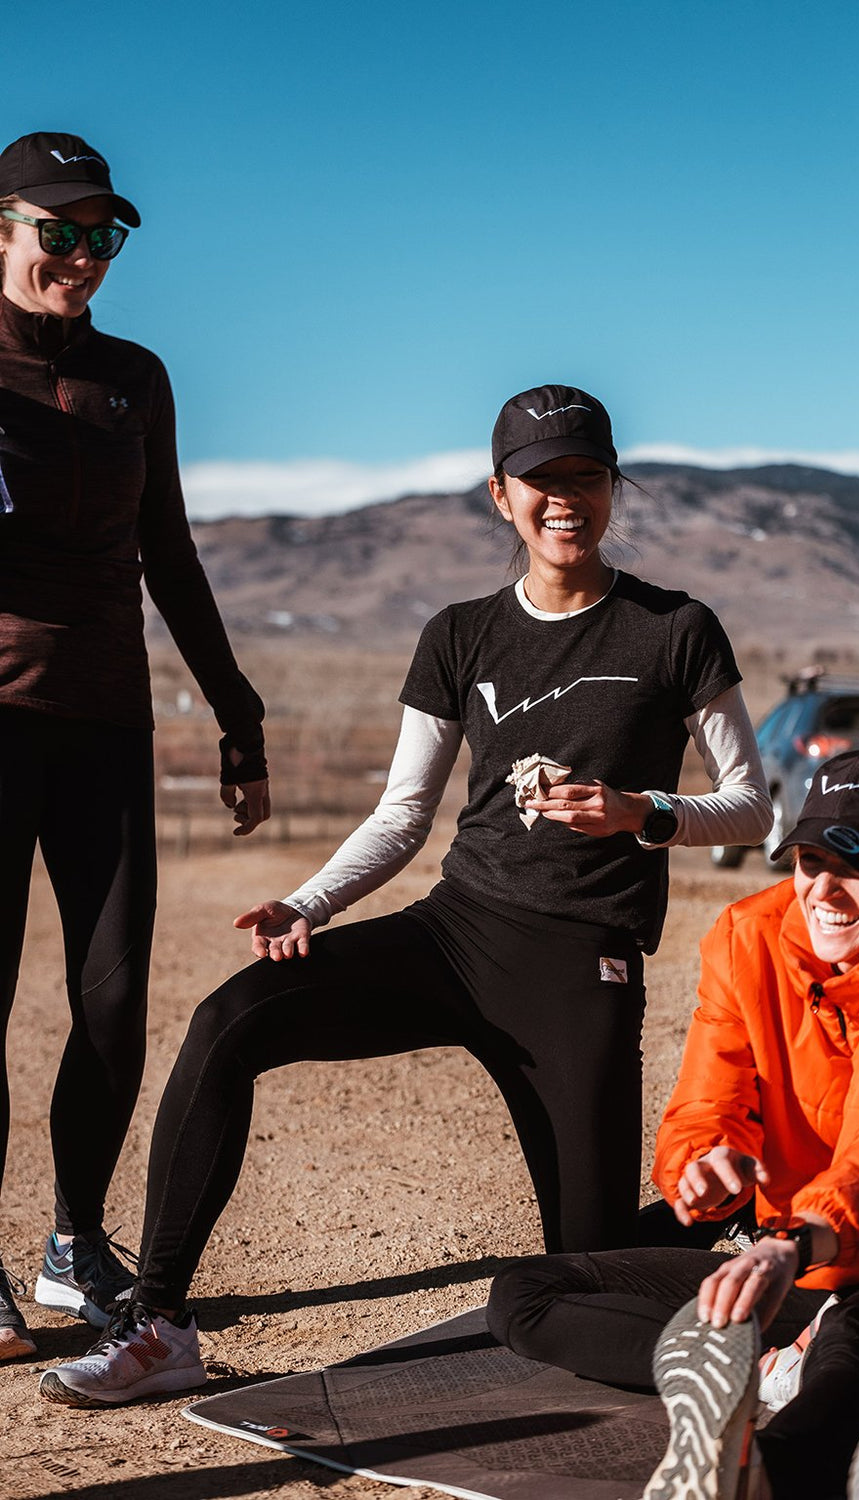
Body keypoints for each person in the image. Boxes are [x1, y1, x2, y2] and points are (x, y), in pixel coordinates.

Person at [38, 382, 772, 1405]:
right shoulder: (460, 632)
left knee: (585, 1268)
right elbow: (401, 813)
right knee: (228, 1021)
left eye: (586, 477)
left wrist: (640, 811)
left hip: (578, 964)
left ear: (614, 488)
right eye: (541, 480)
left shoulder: (674, 628)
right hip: (456, 932)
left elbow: (750, 807)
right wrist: (308, 904)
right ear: (499, 495)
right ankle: (160, 1324)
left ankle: (760, 1270)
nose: (566, 499)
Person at [485, 750, 859, 1500]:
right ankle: (757, 1379)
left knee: (857, 1342)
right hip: (798, 1253)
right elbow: (709, 1096)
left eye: (855, 867)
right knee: (526, 1293)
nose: (821, 888)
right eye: (809, 857)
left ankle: (763, 1473)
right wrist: (704, 1165)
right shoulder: (747, 937)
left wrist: (794, 1242)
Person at [0, 132, 270, 1361]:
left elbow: (169, 550)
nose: (81, 258)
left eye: (101, 237)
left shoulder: (136, 376)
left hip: (108, 723)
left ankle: (71, 1245)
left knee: (112, 1008)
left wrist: (237, 712)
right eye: (57, 232)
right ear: (3, 229)